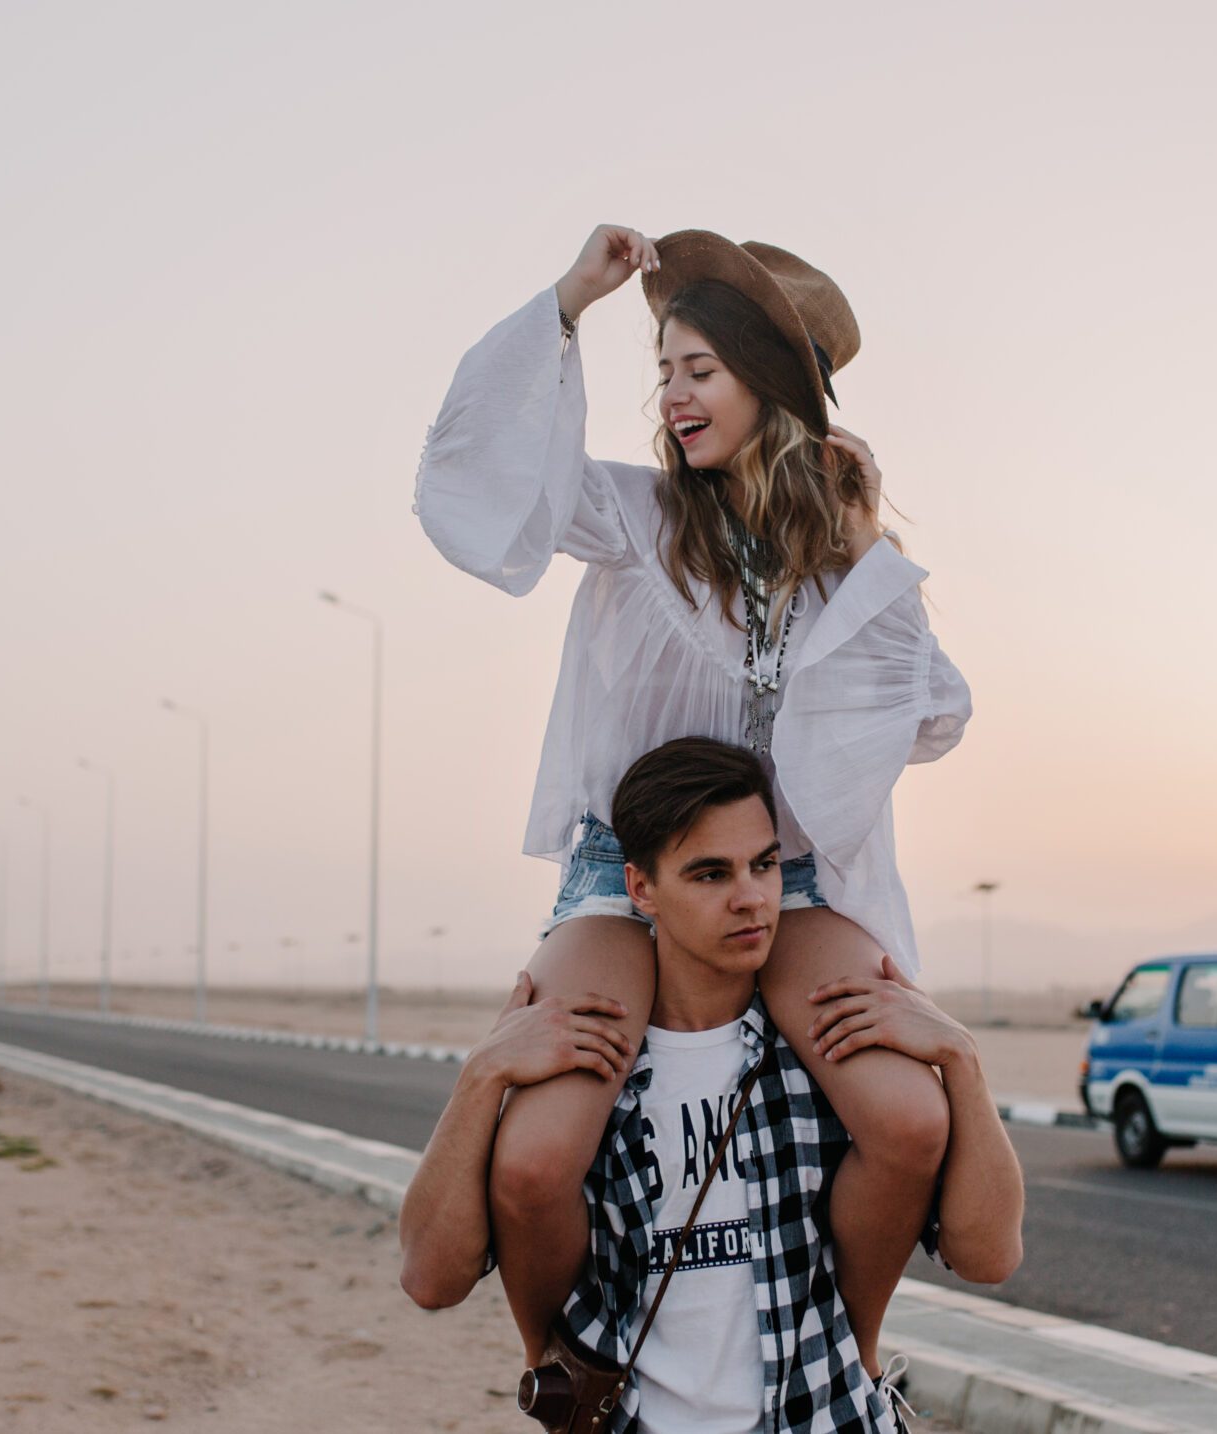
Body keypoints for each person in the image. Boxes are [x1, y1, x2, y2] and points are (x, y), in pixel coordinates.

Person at [413, 224, 972, 1374]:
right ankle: (566, 1380)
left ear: (770, 388)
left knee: (910, 1119)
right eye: (663, 369)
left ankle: (855, 1364)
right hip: (621, 880)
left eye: (699, 370)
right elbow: (492, 489)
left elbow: (931, 717)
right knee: (536, 1157)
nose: (670, 396)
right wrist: (567, 303)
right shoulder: (634, 519)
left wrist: (859, 542)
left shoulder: (838, 567)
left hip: (788, 883)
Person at [398, 738, 1025, 1432]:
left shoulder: (827, 1062)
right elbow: (429, 1279)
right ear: (641, 889)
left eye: (764, 865)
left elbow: (991, 1256)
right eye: (710, 874)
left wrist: (961, 1059)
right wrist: (481, 1076)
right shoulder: (590, 1074)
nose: (750, 899)